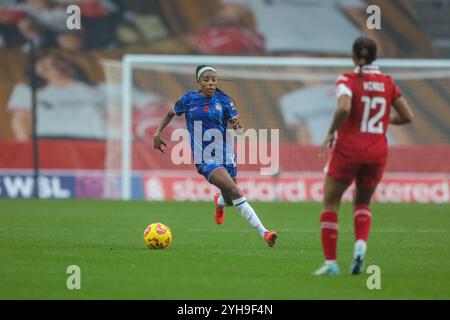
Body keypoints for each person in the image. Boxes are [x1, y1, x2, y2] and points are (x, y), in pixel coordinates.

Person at [313, 37, 414, 275]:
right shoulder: (388, 82)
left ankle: (331, 265)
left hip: (349, 150)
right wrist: (384, 119)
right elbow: (407, 116)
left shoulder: (347, 79)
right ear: (376, 56)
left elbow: (345, 107)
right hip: (377, 151)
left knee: (331, 202)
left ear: (353, 56)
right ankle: (360, 245)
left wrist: (330, 132)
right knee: (363, 202)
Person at [153, 65, 278, 247]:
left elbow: (239, 129)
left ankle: (219, 203)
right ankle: (265, 233)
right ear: (198, 82)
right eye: (206, 80)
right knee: (235, 191)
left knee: (229, 197)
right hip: (204, 157)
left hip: (226, 154)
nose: (211, 83)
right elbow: (170, 114)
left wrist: (237, 126)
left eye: (214, 80)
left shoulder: (225, 101)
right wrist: (157, 133)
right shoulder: (188, 100)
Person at [8, 52, 106, 140]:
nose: (50, 64)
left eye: (57, 61)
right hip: (48, 140)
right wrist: (25, 145)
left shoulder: (100, 88)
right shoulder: (27, 90)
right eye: (43, 62)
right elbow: (21, 119)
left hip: (94, 140)